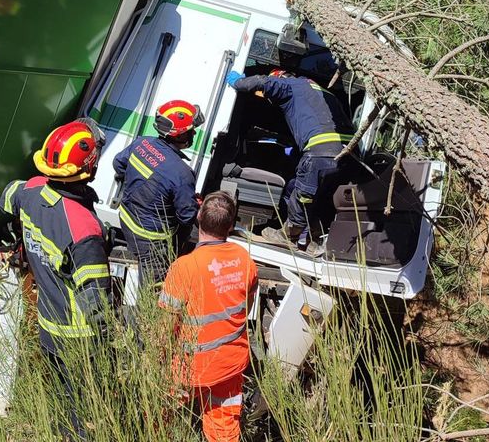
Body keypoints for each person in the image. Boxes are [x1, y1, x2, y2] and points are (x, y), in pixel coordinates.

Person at [0, 118, 111, 440]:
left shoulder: (32, 189)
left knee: (60, 395)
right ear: (87, 168)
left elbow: (7, 196)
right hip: (78, 335)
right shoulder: (83, 229)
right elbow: (96, 304)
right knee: (80, 407)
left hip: (47, 322)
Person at [159, 191, 258, 442]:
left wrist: (156, 361)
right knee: (224, 430)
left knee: (160, 417)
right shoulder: (245, 260)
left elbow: (164, 328)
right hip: (230, 362)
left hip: (190, 367)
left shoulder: (185, 267)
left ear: (198, 217)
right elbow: (245, 308)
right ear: (232, 225)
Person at [227, 69, 354, 251]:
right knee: (307, 192)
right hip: (345, 157)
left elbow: (264, 82)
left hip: (319, 154)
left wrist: (239, 82)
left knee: (302, 196)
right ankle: (314, 240)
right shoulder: (324, 94)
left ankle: (287, 236)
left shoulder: (291, 85)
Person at [112, 99, 203, 282]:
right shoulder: (182, 174)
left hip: (127, 221)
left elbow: (119, 164)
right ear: (178, 135)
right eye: (190, 130)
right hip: (152, 241)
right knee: (152, 291)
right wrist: (196, 205)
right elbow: (186, 216)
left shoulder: (142, 143)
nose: (193, 132)